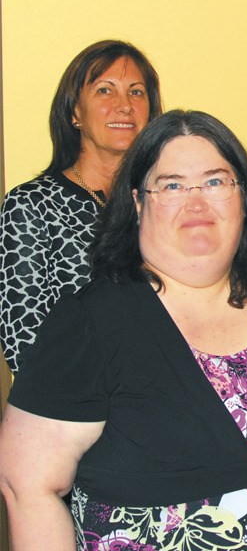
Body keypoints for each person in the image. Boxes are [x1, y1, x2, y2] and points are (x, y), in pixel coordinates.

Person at [0, 110, 247, 551]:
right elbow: (27, 485)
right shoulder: (94, 322)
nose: (196, 202)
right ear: (136, 203)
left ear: (243, 197)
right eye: (172, 184)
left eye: (216, 181)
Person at [0, 39, 162, 373]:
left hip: (163, 394)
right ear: (75, 112)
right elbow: (23, 344)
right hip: (76, 405)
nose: (124, 106)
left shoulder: (167, 200)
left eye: (136, 92)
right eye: (105, 91)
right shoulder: (30, 205)